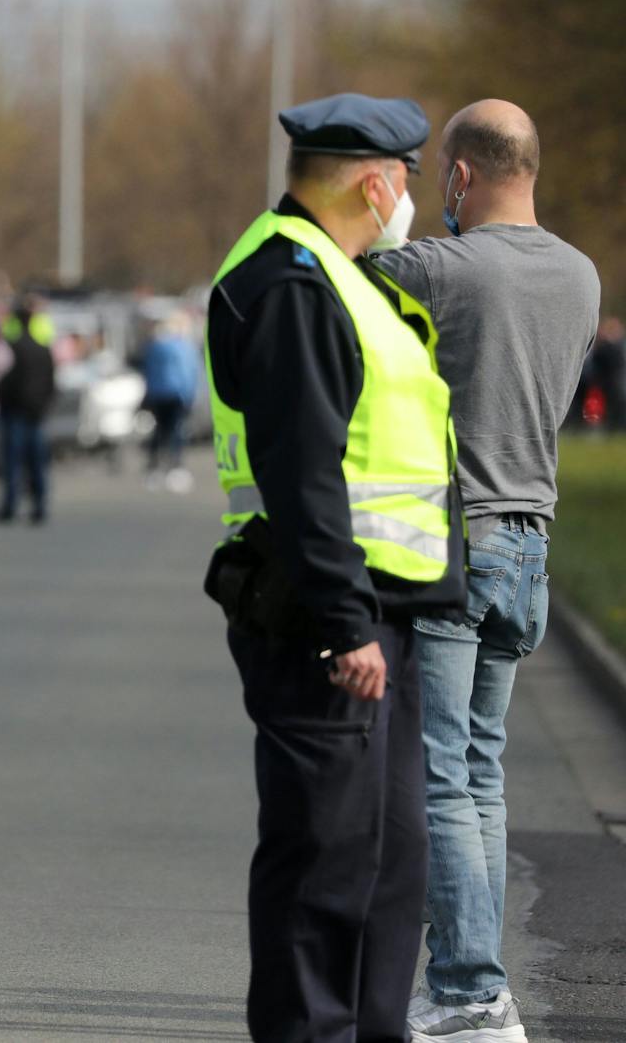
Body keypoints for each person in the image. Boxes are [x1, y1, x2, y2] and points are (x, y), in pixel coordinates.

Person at [204, 94, 466, 1043]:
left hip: (373, 615)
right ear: (374, 181)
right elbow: (304, 468)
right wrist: (345, 618)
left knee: (388, 861)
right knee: (325, 864)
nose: (408, 198)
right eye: (403, 180)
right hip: (324, 620)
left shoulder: (341, 276)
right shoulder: (289, 284)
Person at [371, 100, 600, 1043]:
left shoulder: (438, 265)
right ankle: (480, 990)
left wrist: (389, 224)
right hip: (531, 542)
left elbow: (344, 290)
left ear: (459, 178)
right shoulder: (582, 276)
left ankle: (467, 990)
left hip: (457, 540)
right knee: (482, 774)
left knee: (440, 782)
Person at [0, 296, 55, 524]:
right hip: (36, 412)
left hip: (15, 411)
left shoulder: (12, 349)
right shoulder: (42, 349)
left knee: (12, 461)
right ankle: (39, 505)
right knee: (37, 462)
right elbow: (51, 381)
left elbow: (5, 382)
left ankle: (10, 505)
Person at [141, 313, 200, 491]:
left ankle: (154, 467)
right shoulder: (185, 347)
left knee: (159, 431)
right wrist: (190, 395)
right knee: (176, 431)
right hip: (178, 395)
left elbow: (148, 371)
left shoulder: (155, 347)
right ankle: (176, 466)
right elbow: (190, 372)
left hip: (158, 394)